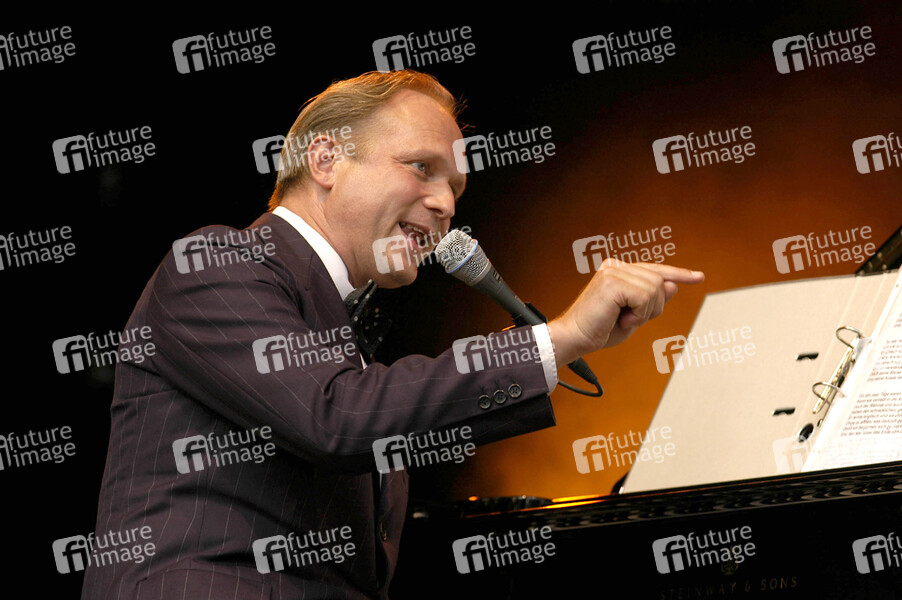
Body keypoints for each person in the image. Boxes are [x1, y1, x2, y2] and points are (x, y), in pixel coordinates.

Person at [79, 70, 703, 600]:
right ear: (326, 159)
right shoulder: (216, 264)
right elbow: (337, 417)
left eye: (455, 187)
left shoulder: (342, 329)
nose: (445, 204)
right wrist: (558, 338)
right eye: (421, 168)